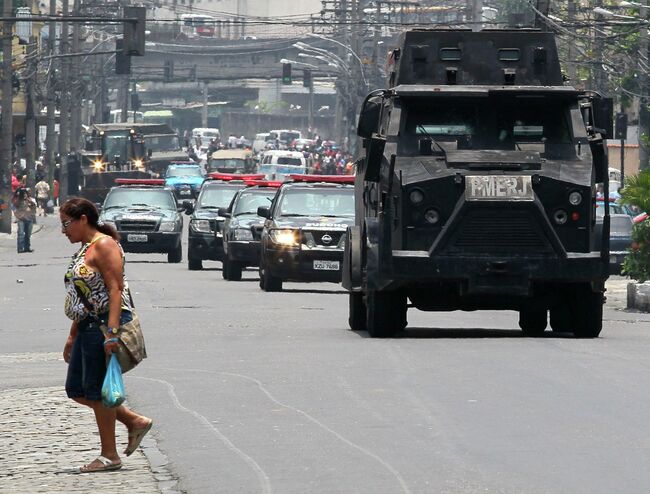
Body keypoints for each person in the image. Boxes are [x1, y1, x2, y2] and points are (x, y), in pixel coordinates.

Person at [60, 198, 153, 473]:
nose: (64, 230)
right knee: (76, 389)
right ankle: (133, 420)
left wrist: (111, 333)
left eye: (66, 224)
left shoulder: (104, 245)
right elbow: (81, 294)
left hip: (103, 326)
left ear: (83, 219)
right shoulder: (83, 249)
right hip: (86, 325)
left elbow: (115, 290)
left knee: (97, 392)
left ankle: (109, 455)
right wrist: (72, 334)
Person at [12, 187, 37, 253]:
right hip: (21, 219)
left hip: (29, 219)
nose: (24, 195)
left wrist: (28, 200)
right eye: (23, 194)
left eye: (26, 193)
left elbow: (34, 206)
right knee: (21, 234)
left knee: (28, 234)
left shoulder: (31, 200)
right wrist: (17, 216)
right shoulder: (18, 201)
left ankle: (27, 248)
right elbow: (14, 207)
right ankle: (20, 248)